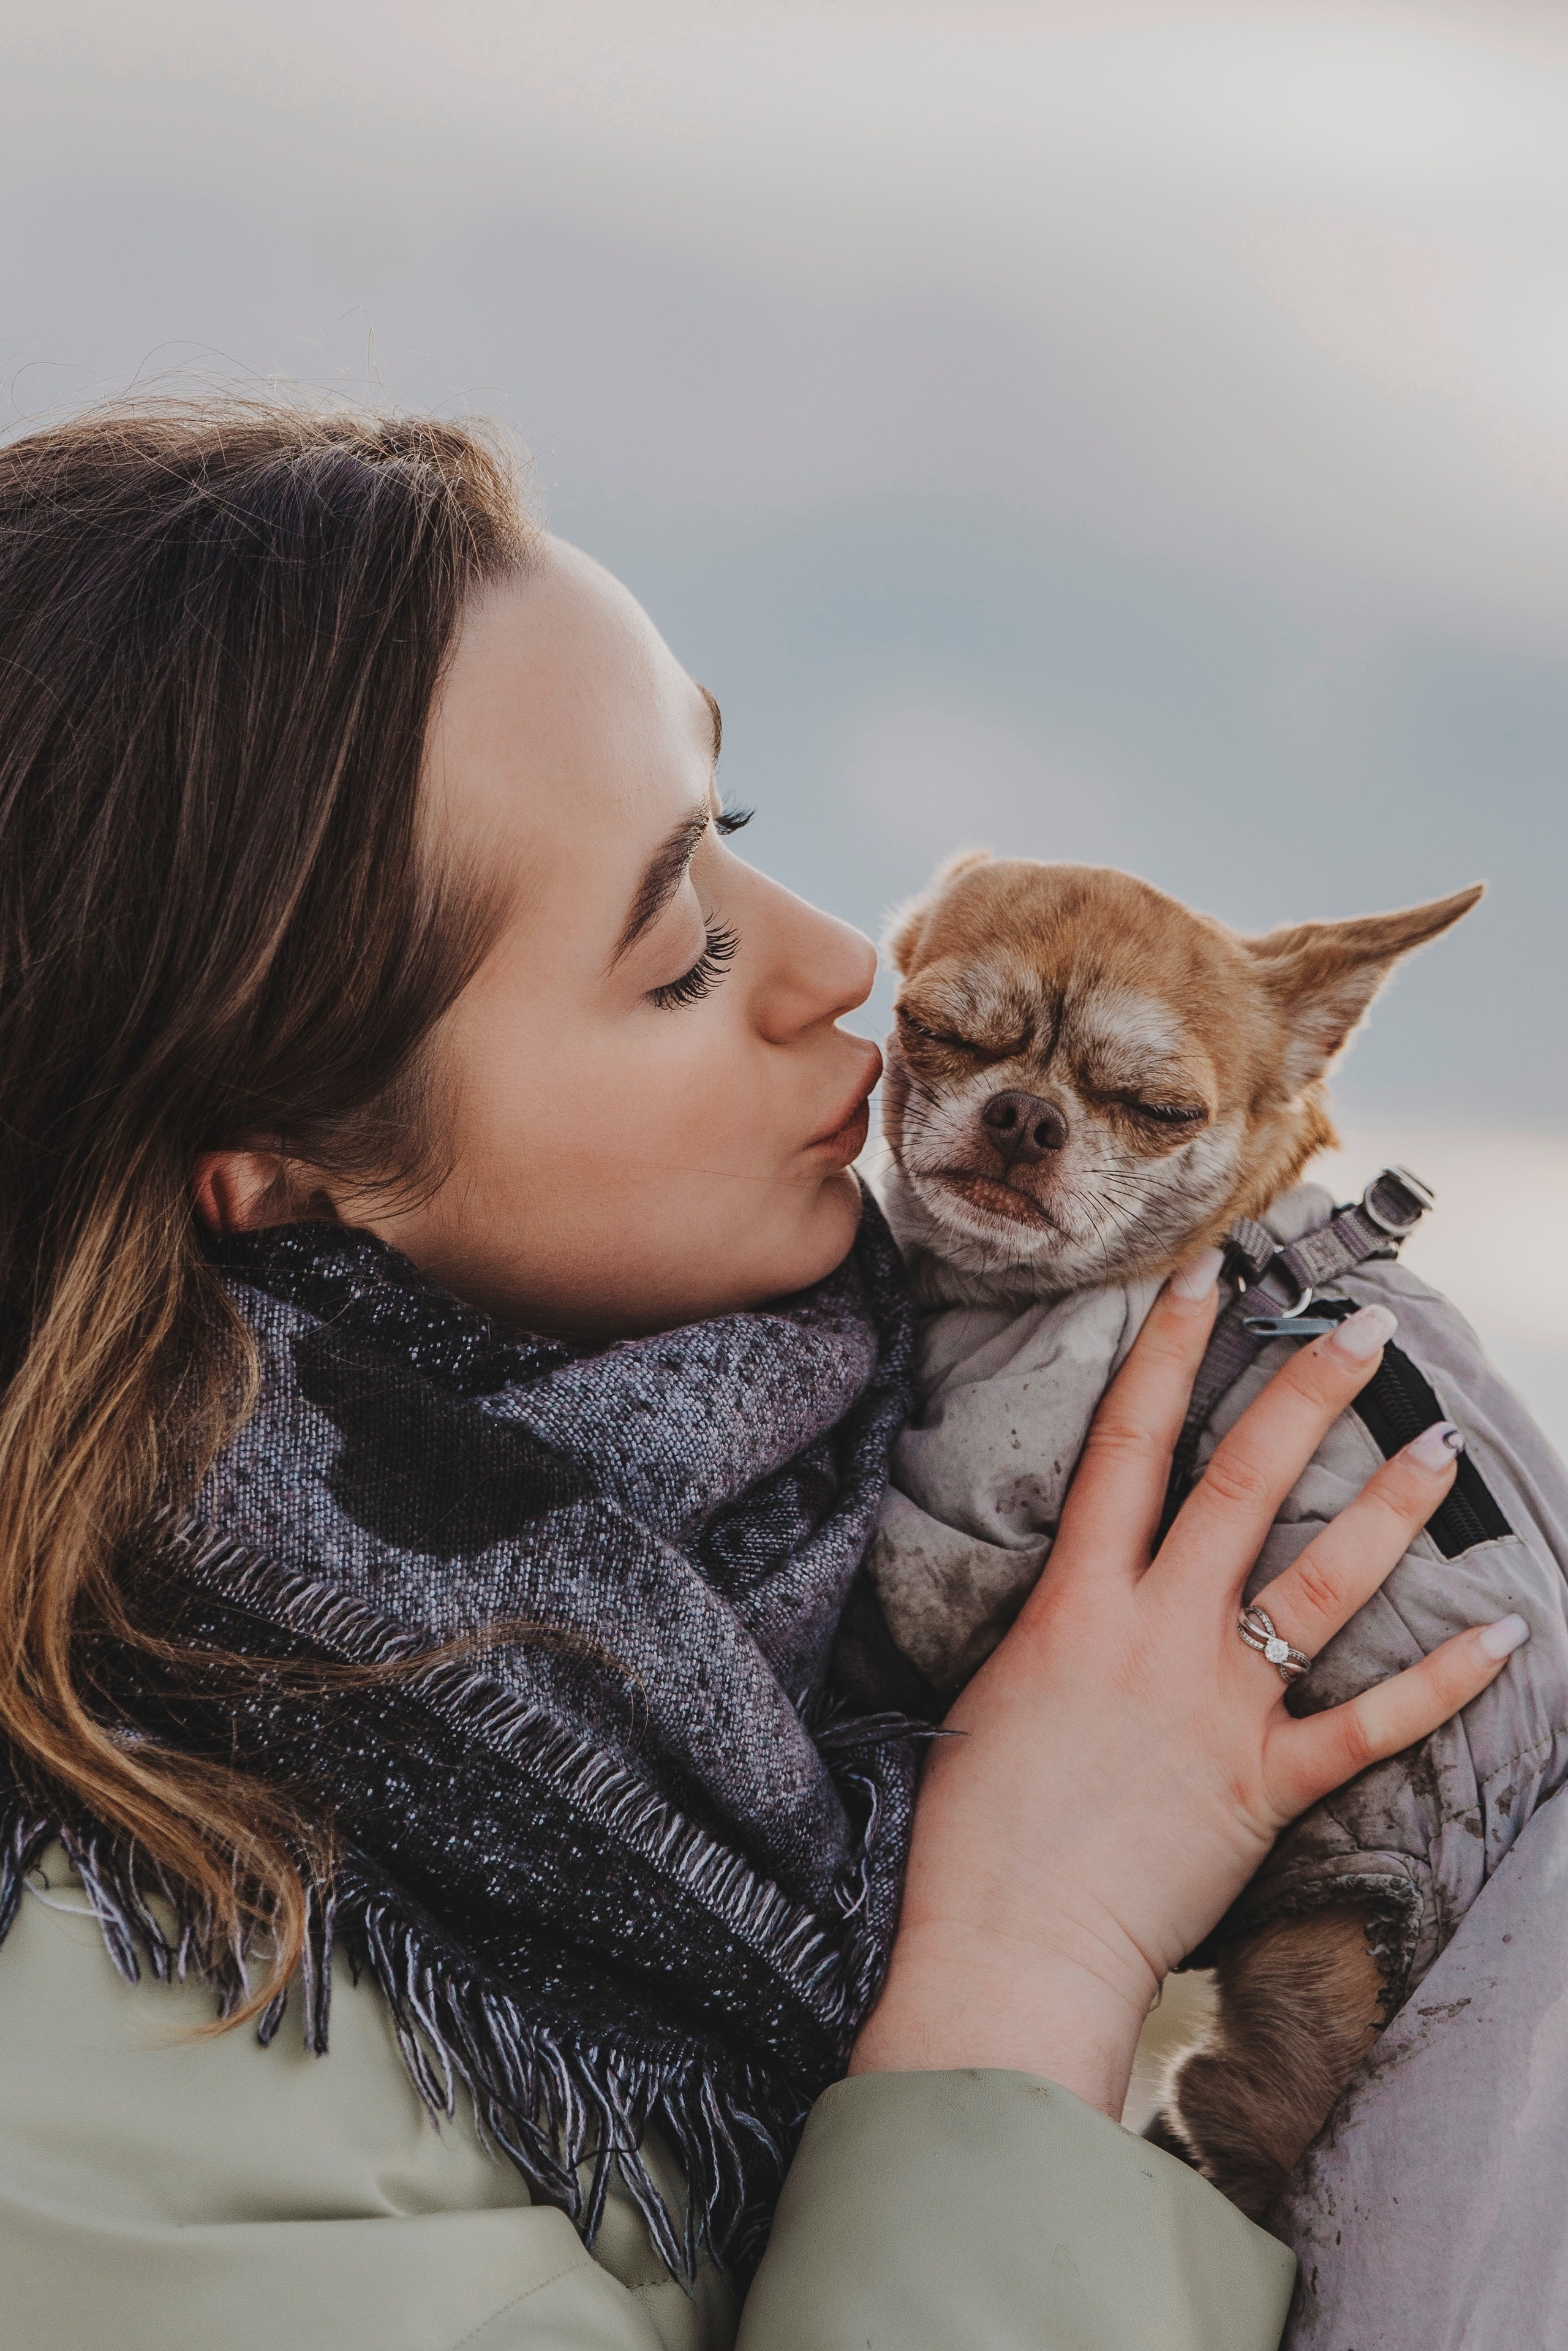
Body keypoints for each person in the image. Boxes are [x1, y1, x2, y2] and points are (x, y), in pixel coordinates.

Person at [0, 401, 1537, 2351]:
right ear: (286, 1171)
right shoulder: (92, 2033)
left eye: (742, 831)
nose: (842, 966)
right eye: (675, 955)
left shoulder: (828, 1513)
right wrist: (1031, 1959)